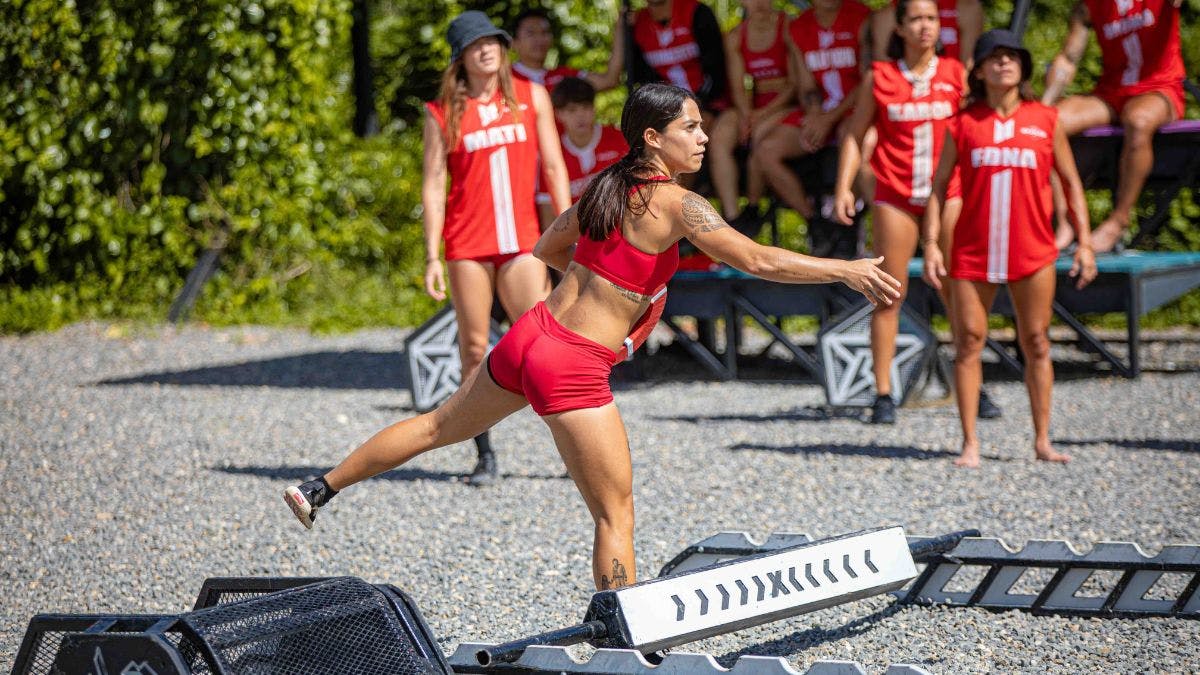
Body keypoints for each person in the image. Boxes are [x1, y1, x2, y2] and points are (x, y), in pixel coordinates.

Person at [284, 84, 902, 595]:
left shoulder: (605, 187)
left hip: (530, 335)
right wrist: (844, 269)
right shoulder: (678, 204)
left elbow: (547, 247)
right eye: (690, 128)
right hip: (572, 364)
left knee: (435, 426)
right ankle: (618, 637)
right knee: (615, 512)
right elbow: (759, 260)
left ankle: (319, 488)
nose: (703, 137)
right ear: (653, 138)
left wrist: (612, 291)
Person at [922, 30, 1098, 467]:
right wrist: (931, 244)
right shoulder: (962, 123)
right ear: (980, 70)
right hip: (972, 251)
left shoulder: (1046, 119)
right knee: (968, 341)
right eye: (995, 57)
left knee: (1036, 341)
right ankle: (970, 443)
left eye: (1013, 57)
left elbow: (1071, 183)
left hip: (1032, 250)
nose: (1004, 63)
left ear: (1023, 67)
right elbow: (939, 187)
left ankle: (1042, 440)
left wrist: (1085, 242)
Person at [420, 11, 571, 485]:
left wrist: (570, 229)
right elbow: (433, 184)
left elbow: (554, 166)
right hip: (467, 244)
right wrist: (431, 255)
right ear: (460, 57)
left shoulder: (531, 95)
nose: (486, 50)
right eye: (475, 44)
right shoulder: (441, 111)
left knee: (546, 347)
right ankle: (484, 456)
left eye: (492, 41)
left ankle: (575, 449)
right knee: (474, 349)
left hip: (523, 242)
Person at [833, 0, 966, 424]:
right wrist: (844, 187)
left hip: (948, 194)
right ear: (901, 28)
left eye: (932, 18)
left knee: (957, 289)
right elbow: (855, 134)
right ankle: (883, 393)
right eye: (917, 19)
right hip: (897, 193)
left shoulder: (957, 73)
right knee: (889, 292)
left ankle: (973, 382)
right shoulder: (881, 75)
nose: (926, 26)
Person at [1042, 0, 1187, 253]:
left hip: (1160, 88)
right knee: (1048, 122)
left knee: (1138, 120)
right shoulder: (1090, 6)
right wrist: (1041, 107)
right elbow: (1068, 58)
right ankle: (1066, 219)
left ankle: (1119, 220)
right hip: (1112, 92)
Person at [753, 0, 872, 224]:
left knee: (850, 136)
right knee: (766, 151)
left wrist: (830, 119)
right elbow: (807, 85)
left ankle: (848, 217)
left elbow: (868, 79)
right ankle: (815, 221)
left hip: (854, 110)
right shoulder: (798, 28)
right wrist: (816, 115)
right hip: (819, 113)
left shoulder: (862, 17)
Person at [707, 0, 795, 229]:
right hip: (753, 107)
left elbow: (795, 85)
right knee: (720, 136)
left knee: (759, 135)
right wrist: (747, 115)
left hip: (786, 105)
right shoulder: (735, 37)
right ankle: (733, 217)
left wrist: (760, 115)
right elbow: (738, 87)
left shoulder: (789, 28)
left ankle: (754, 207)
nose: (759, 3)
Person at [535, 77, 629, 228]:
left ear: (594, 108)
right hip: (576, 237)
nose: (580, 115)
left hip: (621, 229)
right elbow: (549, 222)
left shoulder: (619, 140)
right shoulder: (552, 155)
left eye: (585, 107)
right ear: (558, 114)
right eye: (572, 110)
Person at [628, 0, 727, 116]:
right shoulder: (636, 23)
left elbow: (717, 70)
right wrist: (621, 26)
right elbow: (640, 78)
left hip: (708, 105)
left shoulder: (697, 13)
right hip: (666, 111)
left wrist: (698, 105)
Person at [510, 8, 624, 92]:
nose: (539, 39)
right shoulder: (505, 78)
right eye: (531, 33)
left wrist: (620, 27)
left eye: (545, 32)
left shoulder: (565, 77)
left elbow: (609, 80)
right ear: (514, 43)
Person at [870, 0, 983, 66]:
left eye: (931, 18)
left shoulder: (967, 8)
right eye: (915, 19)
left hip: (949, 90)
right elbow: (883, 65)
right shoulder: (887, 14)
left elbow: (969, 67)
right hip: (902, 90)